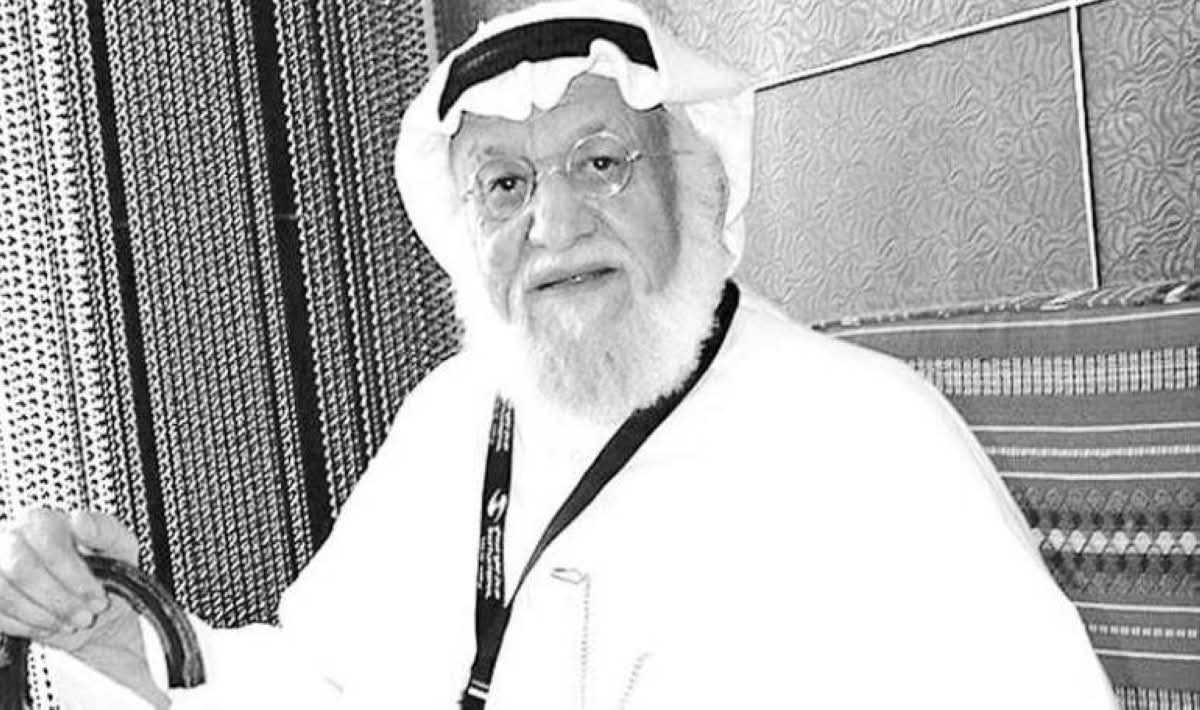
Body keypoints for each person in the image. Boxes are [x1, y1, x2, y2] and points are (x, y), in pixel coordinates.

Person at [0, 1, 1116, 707]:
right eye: (505, 184)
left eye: (600, 163)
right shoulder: (450, 417)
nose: (554, 224)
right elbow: (323, 684)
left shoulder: (871, 432)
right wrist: (115, 630)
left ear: (692, 186)